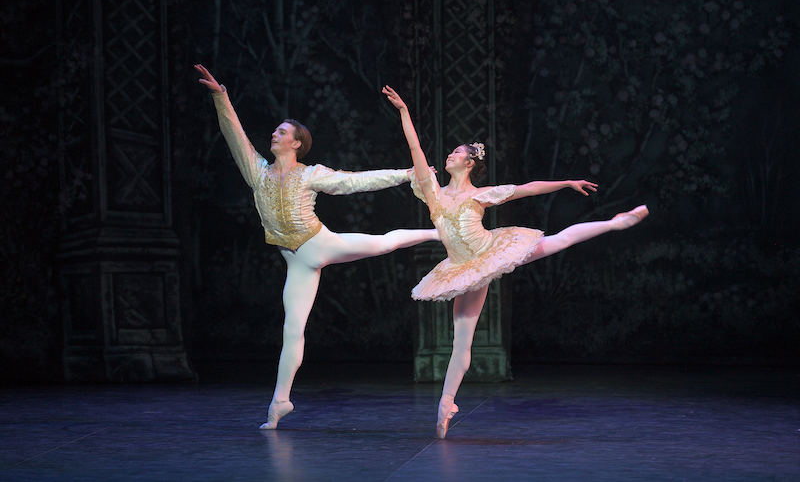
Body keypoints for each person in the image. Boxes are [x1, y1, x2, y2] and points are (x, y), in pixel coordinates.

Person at [383, 85, 648, 439]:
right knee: (461, 342)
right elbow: (415, 147)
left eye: (456, 153)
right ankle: (446, 405)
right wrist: (403, 110)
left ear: (470, 163)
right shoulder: (431, 189)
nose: (449, 155)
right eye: (450, 151)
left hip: (493, 251)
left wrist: (567, 182)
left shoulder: (481, 195)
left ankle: (616, 223)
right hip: (463, 269)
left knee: (558, 240)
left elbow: (528, 188)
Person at [195, 65, 439, 430]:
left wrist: (404, 175)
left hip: (319, 244)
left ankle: (438, 235)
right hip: (297, 262)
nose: (273, 134)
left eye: (281, 132)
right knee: (293, 329)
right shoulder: (257, 172)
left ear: (296, 143)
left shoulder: (311, 174)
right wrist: (221, 96)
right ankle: (280, 402)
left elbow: (355, 182)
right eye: (275, 131)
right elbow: (235, 136)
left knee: (383, 244)